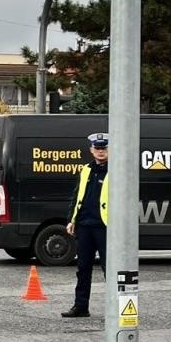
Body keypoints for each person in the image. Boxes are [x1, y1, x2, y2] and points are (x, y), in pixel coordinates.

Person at [62, 133, 109, 319]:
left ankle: (115, 308)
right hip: (84, 226)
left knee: (109, 268)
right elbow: (77, 196)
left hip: (105, 226)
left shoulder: (116, 170)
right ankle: (81, 306)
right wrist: (71, 219)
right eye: (97, 148)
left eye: (104, 148)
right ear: (91, 150)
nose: (100, 151)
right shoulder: (86, 170)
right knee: (83, 268)